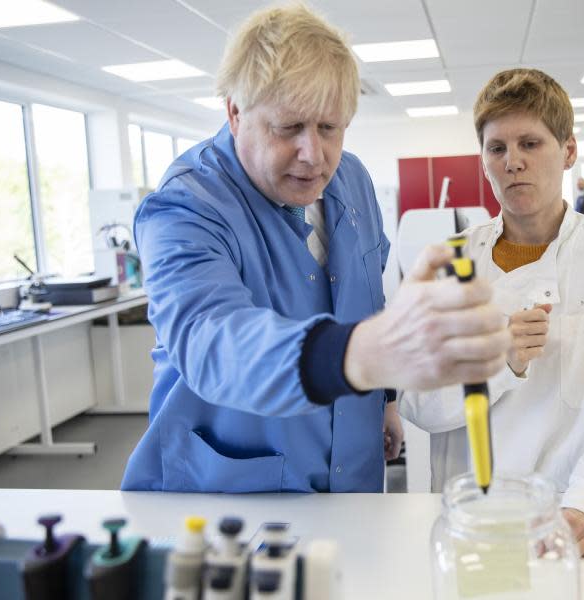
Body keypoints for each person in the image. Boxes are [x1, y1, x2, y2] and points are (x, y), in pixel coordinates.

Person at [121, 5, 510, 494]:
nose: (314, 154)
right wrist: (367, 356)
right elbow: (212, 340)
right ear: (235, 112)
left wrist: (384, 397)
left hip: (353, 478)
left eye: (330, 128)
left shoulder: (353, 181)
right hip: (231, 496)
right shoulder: (185, 206)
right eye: (288, 128)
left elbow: (367, 301)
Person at [400, 68, 584, 558]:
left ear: (568, 150)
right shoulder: (449, 264)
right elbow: (417, 402)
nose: (513, 162)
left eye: (530, 143)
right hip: (473, 515)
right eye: (498, 148)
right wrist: (497, 361)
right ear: (483, 159)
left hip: (578, 511)